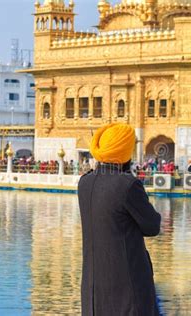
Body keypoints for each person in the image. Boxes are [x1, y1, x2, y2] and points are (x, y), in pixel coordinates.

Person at [78, 123, 161, 316]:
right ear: (125, 153)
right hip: (126, 293)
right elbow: (152, 226)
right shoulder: (128, 185)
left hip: (93, 294)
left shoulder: (84, 183)